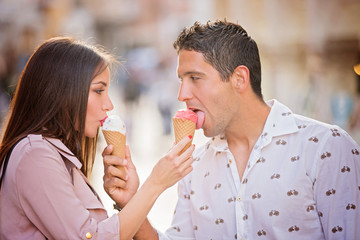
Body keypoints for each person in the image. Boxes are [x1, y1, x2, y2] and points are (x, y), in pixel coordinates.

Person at [103, 20, 360, 239]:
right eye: (182, 80)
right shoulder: (194, 165)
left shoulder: (327, 148)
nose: (182, 94)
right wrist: (130, 201)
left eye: (195, 78)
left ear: (239, 79)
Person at [0, 37, 195, 239]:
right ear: (62, 92)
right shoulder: (36, 155)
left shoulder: (54, 154)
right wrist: (156, 183)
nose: (109, 104)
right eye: (99, 91)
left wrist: (127, 200)